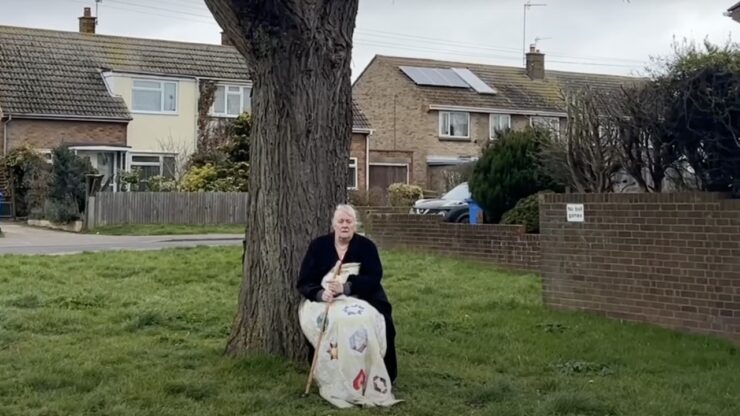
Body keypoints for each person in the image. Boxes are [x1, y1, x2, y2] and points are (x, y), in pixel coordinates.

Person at [297, 204, 400, 408]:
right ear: (334, 224)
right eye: (341, 221)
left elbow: (373, 277)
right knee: (336, 322)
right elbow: (304, 280)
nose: (345, 225)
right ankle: (335, 375)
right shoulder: (318, 246)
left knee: (369, 319)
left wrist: (346, 287)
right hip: (325, 300)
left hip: (361, 296)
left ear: (355, 224)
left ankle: (372, 372)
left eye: (349, 221)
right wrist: (320, 293)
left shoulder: (366, 246)